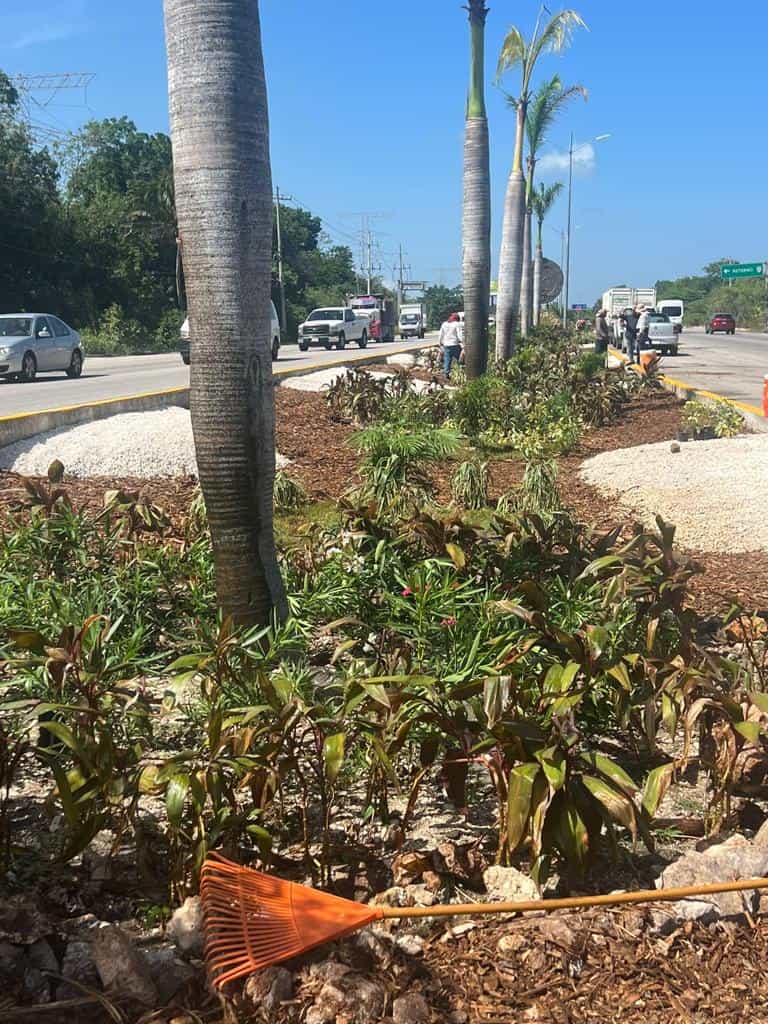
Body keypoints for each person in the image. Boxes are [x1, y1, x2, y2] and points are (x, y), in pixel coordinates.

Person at [439, 312, 463, 377]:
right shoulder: (457, 324)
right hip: (455, 344)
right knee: (460, 358)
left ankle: (446, 374)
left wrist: (440, 343)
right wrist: (463, 342)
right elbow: (459, 335)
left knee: (447, 359)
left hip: (446, 345)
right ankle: (462, 370)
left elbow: (441, 334)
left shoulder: (444, 324)